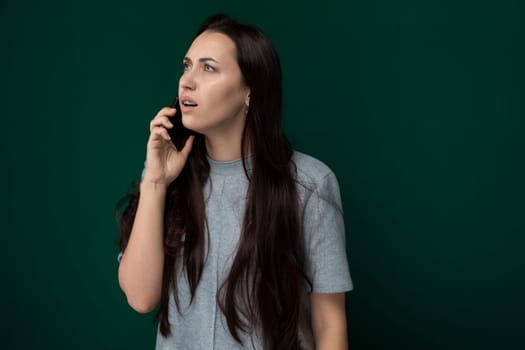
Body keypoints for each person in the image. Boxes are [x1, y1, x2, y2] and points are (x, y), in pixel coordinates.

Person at [117, 14, 353, 350]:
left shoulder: (310, 183)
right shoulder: (168, 177)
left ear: (249, 92)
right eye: (186, 66)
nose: (187, 81)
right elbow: (140, 298)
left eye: (208, 68)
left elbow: (330, 323)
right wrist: (155, 182)